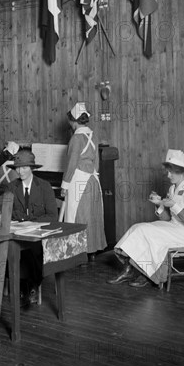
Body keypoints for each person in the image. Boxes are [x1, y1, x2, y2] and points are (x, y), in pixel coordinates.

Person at [107, 149, 184, 288]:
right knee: (138, 227)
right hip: (175, 227)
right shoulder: (172, 189)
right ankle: (132, 270)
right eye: (168, 171)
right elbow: (168, 218)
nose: (168, 175)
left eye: (171, 172)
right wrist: (159, 205)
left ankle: (144, 273)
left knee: (146, 231)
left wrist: (174, 206)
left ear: (180, 170)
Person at [5, 150, 58, 305]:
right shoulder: (11, 187)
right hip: (18, 233)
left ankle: (28, 287)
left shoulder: (44, 186)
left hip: (39, 234)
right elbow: (7, 213)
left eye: (24, 168)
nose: (20, 171)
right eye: (17, 168)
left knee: (34, 250)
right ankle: (28, 287)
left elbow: (52, 216)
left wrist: (28, 220)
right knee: (10, 249)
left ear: (32, 168)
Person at [60, 102, 106, 261]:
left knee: (77, 216)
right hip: (93, 180)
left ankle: (78, 254)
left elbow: (71, 164)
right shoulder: (93, 136)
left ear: (73, 121)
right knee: (92, 215)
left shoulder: (76, 138)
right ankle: (92, 252)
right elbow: (97, 163)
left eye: (70, 122)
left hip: (78, 180)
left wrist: (64, 185)